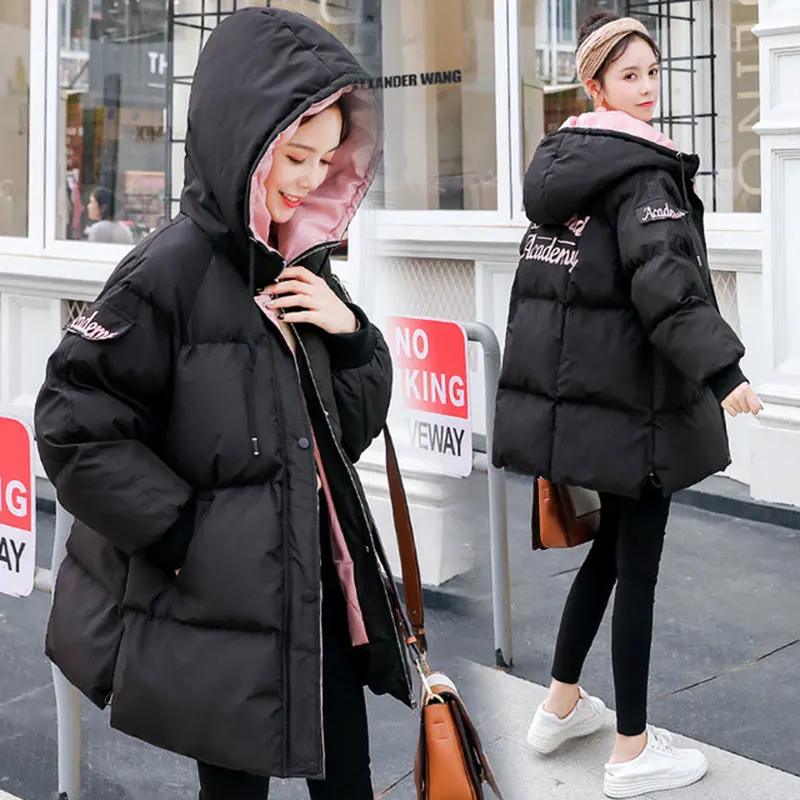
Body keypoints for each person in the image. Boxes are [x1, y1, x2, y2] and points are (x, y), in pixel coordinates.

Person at [34, 8, 412, 800]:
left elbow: (344, 432)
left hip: (315, 589)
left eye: (326, 159)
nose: (310, 178)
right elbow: (74, 424)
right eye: (295, 156)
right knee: (235, 794)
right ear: (245, 141)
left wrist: (351, 337)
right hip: (220, 602)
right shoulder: (166, 270)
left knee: (348, 782)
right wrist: (183, 534)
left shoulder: (302, 265)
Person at [492, 10, 761, 799]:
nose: (647, 88)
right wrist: (723, 372)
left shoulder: (565, 169)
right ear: (596, 86)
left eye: (651, 72)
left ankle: (560, 706)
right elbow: (665, 284)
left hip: (589, 404)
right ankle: (632, 752)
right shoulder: (642, 173)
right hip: (634, 408)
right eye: (629, 76)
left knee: (610, 553)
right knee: (635, 567)